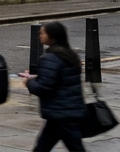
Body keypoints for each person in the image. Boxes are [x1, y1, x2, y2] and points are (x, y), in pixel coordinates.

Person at [20, 21, 86, 152]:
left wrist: (29, 83)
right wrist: (36, 77)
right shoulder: (69, 55)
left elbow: (44, 87)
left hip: (61, 113)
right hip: (66, 110)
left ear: (52, 37)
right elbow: (59, 79)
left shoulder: (51, 57)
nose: (40, 35)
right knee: (42, 147)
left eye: (43, 33)